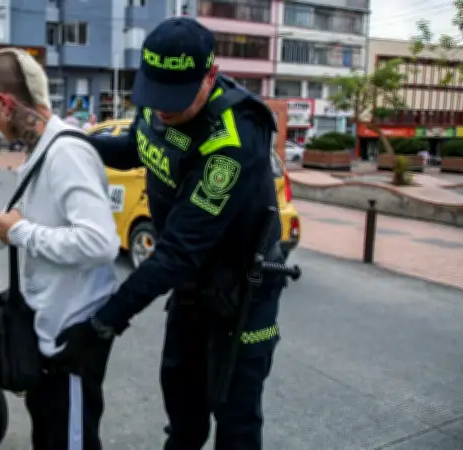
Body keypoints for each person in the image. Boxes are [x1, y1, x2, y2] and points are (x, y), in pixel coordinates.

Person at [53, 18, 284, 450]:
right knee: (182, 407)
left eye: (174, 97)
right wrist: (71, 141)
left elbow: (177, 250)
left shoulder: (231, 142)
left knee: (235, 421)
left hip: (242, 294)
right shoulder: (158, 100)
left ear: (210, 77)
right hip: (192, 287)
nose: (162, 108)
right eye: (154, 94)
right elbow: (136, 149)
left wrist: (105, 323)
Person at [0, 48, 120, 450]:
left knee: (70, 440)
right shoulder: (42, 149)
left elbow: (101, 243)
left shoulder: (66, 152)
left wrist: (23, 234)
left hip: (72, 335)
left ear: (5, 102)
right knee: (49, 434)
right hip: (50, 331)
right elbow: (8, 220)